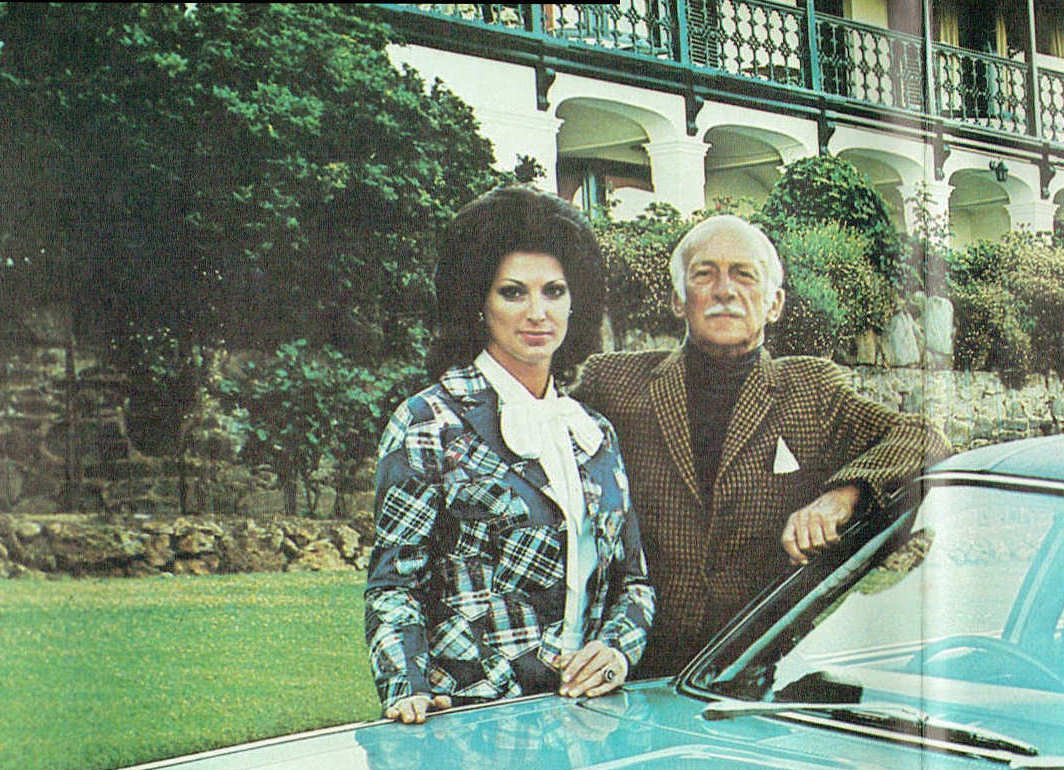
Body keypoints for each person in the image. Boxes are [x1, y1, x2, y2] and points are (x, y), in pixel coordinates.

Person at [573, 214, 943, 679]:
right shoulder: (614, 382)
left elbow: (924, 438)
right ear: (677, 299)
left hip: (761, 669)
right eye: (704, 274)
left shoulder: (811, 389)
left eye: (744, 275)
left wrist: (842, 497)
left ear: (775, 304)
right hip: (636, 669)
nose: (724, 290)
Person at [364, 188, 652, 720]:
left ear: (576, 302)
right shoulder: (429, 422)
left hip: (587, 719)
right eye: (513, 293)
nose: (538, 313)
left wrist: (616, 652)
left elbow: (632, 584)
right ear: (478, 301)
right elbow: (394, 583)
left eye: (554, 291)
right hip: (471, 721)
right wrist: (405, 685)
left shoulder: (596, 435)